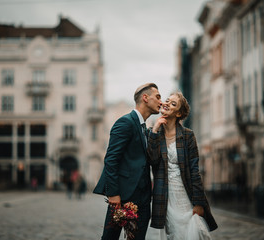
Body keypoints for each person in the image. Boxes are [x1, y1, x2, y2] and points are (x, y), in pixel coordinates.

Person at [93, 83, 162, 240]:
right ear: (145, 98)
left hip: (144, 199)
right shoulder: (125, 122)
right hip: (122, 196)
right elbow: (111, 159)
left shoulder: (146, 128)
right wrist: (114, 194)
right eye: (157, 97)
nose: (161, 101)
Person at [147, 91, 218, 239]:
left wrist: (198, 202)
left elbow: (194, 171)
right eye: (167, 100)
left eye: (173, 104)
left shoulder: (187, 136)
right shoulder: (154, 134)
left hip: (186, 194)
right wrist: (154, 130)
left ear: (179, 113)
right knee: (174, 235)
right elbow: (152, 161)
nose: (166, 103)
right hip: (165, 197)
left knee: (189, 233)